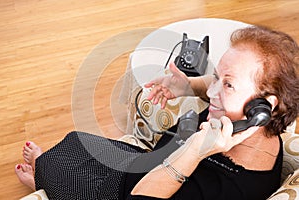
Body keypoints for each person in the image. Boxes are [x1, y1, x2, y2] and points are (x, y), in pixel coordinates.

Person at [15, 25, 299, 200]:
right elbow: (211, 91)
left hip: (130, 192)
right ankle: (47, 173)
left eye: (228, 84)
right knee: (74, 140)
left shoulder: (234, 189)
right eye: (216, 78)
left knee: (53, 165)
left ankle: (42, 178)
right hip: (142, 163)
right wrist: (188, 86)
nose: (212, 92)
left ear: (264, 107)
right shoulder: (242, 118)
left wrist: (195, 151)